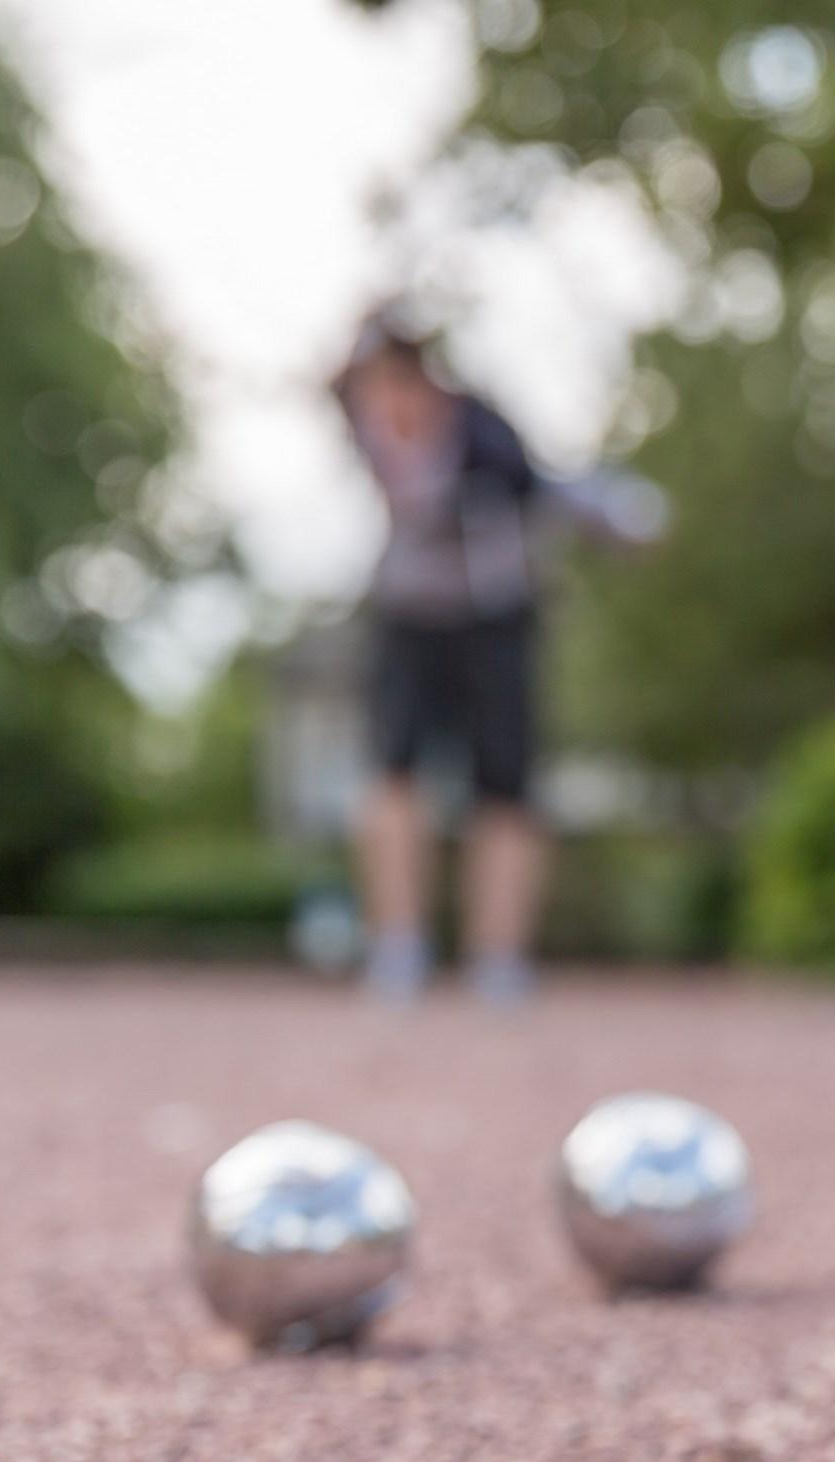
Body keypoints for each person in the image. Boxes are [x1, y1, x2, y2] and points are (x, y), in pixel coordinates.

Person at [335, 310, 553, 1006]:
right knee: (390, 773)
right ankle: (398, 946)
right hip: (408, 617)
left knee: (505, 784)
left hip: (493, 615)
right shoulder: (360, 422)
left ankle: (500, 959)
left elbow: (541, 489)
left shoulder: (484, 431)